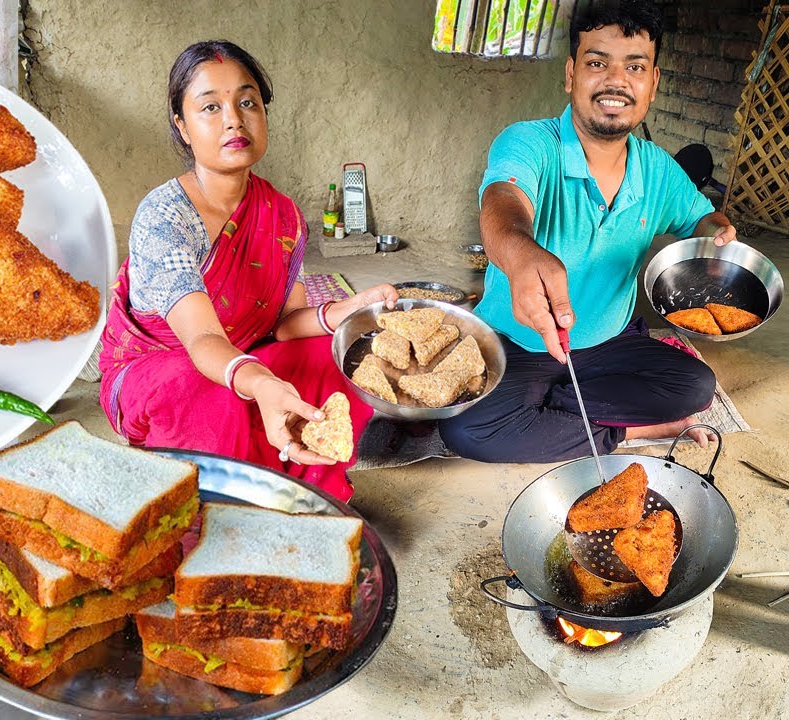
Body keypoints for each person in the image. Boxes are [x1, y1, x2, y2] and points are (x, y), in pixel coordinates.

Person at [98, 40, 397, 502]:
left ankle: (311, 496)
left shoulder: (281, 215)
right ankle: (219, 510)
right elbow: (201, 341)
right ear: (182, 126)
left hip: (245, 352)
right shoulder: (165, 217)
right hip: (162, 369)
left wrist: (349, 310)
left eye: (247, 102)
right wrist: (260, 381)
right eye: (210, 107)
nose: (234, 119)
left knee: (334, 353)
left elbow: (284, 326)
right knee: (215, 391)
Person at [440, 0, 731, 463]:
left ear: (652, 83)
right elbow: (503, 202)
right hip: (517, 345)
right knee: (467, 429)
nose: (616, 81)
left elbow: (698, 219)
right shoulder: (530, 142)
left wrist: (717, 232)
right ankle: (629, 430)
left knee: (695, 385)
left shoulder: (658, 169)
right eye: (598, 63)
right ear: (571, 73)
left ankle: (551, 414)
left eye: (634, 67)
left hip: (611, 344)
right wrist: (518, 252)